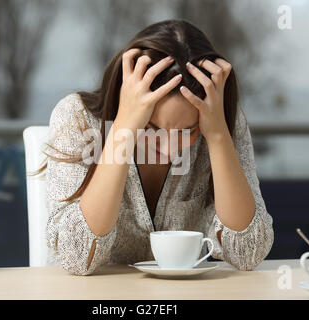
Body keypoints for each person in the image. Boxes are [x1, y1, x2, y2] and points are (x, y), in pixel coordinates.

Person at [43, 19, 274, 275]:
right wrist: (124, 129)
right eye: (151, 128)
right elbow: (74, 256)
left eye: (186, 131)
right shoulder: (76, 117)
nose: (167, 149)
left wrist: (218, 136)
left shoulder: (219, 122)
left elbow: (249, 253)